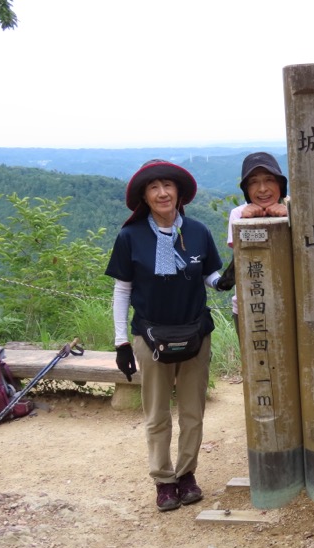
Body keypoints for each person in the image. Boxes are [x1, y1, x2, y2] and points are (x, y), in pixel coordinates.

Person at [106, 159, 231, 512]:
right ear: (144, 197)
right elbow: (122, 290)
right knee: (157, 413)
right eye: (153, 187)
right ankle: (163, 480)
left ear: (178, 192)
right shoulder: (130, 237)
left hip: (195, 333)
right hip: (151, 336)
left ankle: (186, 474)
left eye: (168, 186)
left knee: (193, 411)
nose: (162, 193)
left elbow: (209, 274)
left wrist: (223, 282)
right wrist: (121, 342)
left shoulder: (197, 231)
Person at [225, 152, 289, 330]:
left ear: (280, 184)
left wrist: (288, 218)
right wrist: (246, 223)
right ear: (246, 189)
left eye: (269, 180)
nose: (262, 189)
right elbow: (243, 260)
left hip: (289, 304)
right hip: (249, 305)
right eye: (253, 182)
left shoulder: (294, 210)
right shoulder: (238, 215)